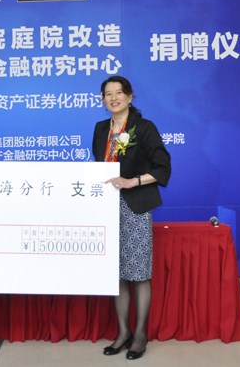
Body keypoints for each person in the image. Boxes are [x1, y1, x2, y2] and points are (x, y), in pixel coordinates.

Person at [92, 75, 171, 361]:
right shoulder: (101, 128)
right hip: (107, 209)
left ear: (129, 96)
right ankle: (123, 331)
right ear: (103, 99)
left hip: (135, 207)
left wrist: (131, 181)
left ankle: (140, 335)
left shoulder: (144, 127)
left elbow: (163, 168)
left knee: (138, 273)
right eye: (108, 94)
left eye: (118, 92)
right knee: (117, 273)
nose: (113, 98)